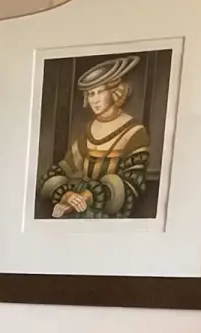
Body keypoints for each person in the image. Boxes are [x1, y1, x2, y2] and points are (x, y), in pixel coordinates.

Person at [39, 55, 151, 219]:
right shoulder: (89, 130)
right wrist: (67, 195)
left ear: (115, 92)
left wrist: (88, 196)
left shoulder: (135, 132)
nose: (95, 100)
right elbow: (65, 168)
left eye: (100, 92)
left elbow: (132, 185)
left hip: (113, 216)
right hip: (79, 207)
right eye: (91, 94)